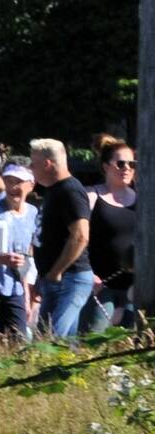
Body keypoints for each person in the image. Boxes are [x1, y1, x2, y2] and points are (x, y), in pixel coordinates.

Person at [30, 138, 94, 340]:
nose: (31, 168)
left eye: (34, 164)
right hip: (55, 279)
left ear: (47, 164)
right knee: (61, 345)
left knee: (50, 341)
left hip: (70, 278)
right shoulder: (54, 191)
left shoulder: (70, 190)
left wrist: (56, 271)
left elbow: (81, 235)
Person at [84, 135, 138, 331]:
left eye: (132, 164)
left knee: (133, 344)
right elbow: (76, 237)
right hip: (100, 285)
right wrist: (87, 273)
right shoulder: (91, 196)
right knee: (94, 339)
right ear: (106, 166)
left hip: (135, 287)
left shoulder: (143, 198)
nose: (127, 168)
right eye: (121, 163)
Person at [0, 165, 38, 339]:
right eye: (9, 181)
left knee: (19, 340)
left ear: (31, 185)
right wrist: (1, 259)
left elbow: (27, 255)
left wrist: (28, 296)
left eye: (18, 182)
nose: (13, 187)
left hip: (17, 288)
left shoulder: (33, 213)